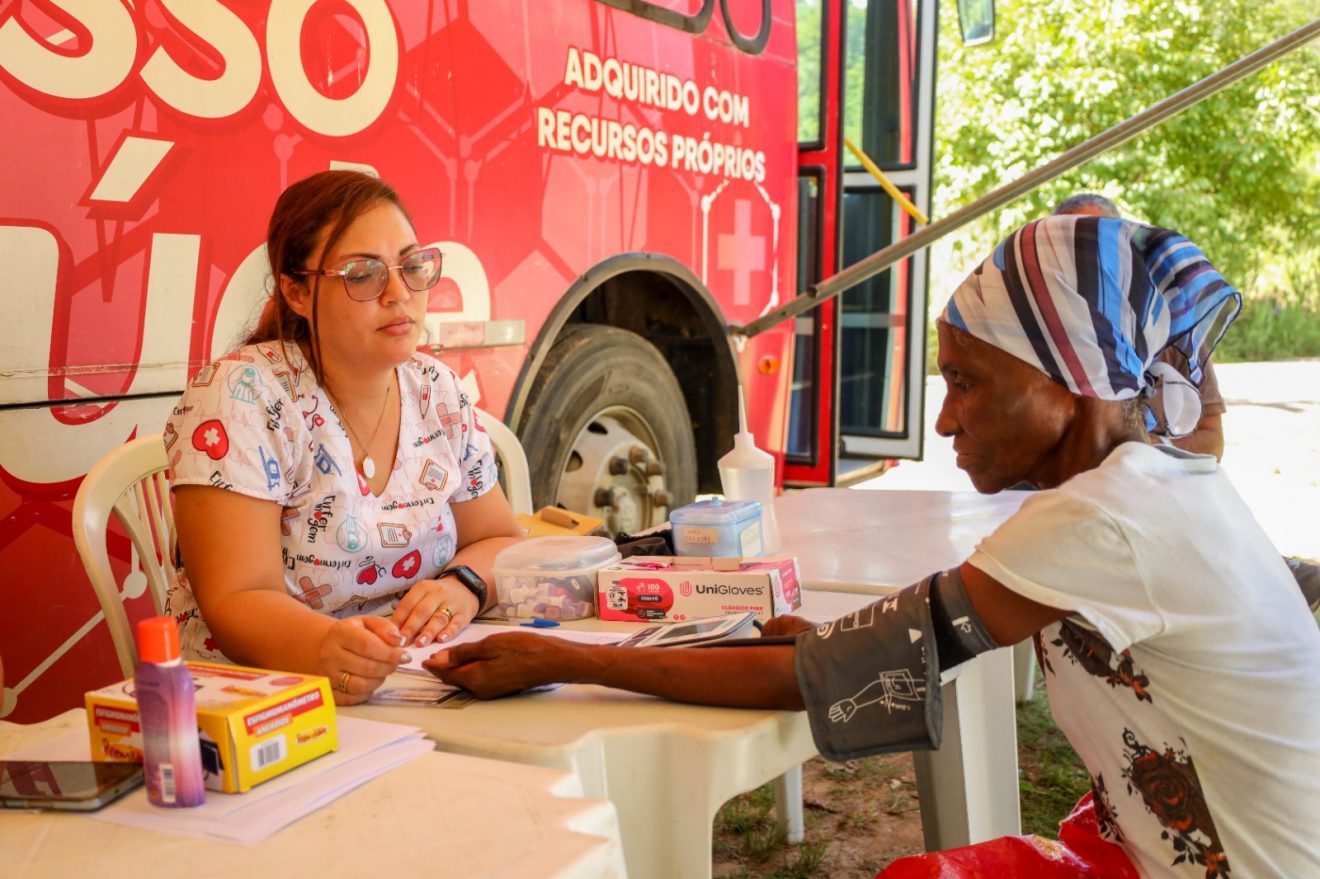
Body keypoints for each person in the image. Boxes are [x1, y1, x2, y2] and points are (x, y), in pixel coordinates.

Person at [427, 215, 1320, 876]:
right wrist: (831, 643)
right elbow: (913, 628)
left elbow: (818, 678)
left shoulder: (1108, 516)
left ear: (1072, 385)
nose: (943, 418)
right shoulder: (1149, 481)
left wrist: (561, 659)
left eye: (968, 382)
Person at [165, 170, 522, 705]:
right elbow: (237, 599)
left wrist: (462, 586)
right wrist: (328, 647)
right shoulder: (241, 396)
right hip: (262, 701)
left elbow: (501, 539)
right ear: (296, 291)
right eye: (362, 274)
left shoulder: (435, 389)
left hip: (410, 687)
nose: (399, 293)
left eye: (412, 266)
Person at [1053, 193, 1226, 458]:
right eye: (1072, 245)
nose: (1088, 256)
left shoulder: (1173, 328)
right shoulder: (1030, 336)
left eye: (1100, 241)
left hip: (1156, 491)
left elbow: (1212, 440)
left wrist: (1150, 451)